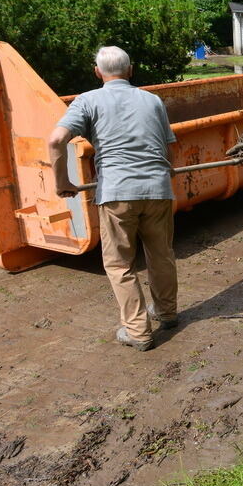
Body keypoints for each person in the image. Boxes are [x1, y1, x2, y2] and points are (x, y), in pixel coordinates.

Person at [48, 46, 178, 352]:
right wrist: (164, 173)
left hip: (117, 193)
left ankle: (138, 332)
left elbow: (55, 140)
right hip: (158, 190)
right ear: (130, 70)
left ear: (97, 72)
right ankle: (167, 313)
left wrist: (62, 181)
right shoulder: (153, 100)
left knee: (120, 264)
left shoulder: (88, 100)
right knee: (161, 254)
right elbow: (168, 149)